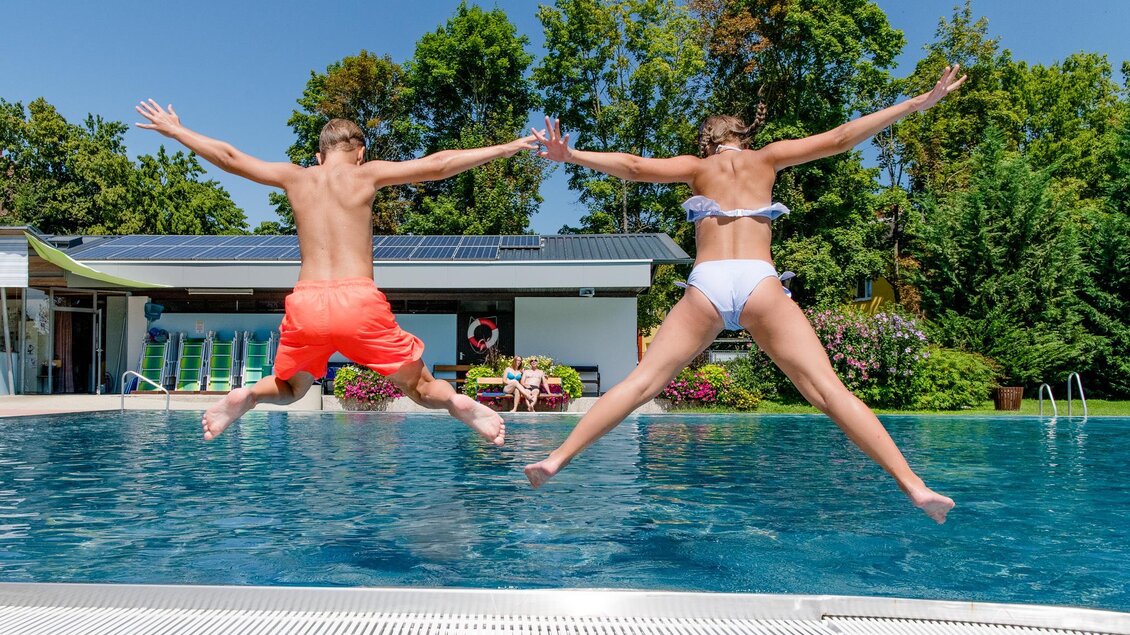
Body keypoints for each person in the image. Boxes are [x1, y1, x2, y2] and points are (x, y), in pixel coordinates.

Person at [524, 66, 968, 523]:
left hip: (708, 282)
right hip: (760, 282)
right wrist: (916, 103)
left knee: (642, 384)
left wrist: (572, 155)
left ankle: (556, 458)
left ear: (707, 140)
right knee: (828, 391)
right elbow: (840, 137)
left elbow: (634, 167)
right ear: (744, 137)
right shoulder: (767, 159)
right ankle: (914, 485)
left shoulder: (696, 168)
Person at [135, 100, 536, 445]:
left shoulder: (296, 177)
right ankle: (458, 404)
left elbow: (231, 158)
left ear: (319, 156)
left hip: (307, 302)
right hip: (358, 302)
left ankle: (248, 397)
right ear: (359, 152)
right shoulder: (367, 174)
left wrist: (177, 130)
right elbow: (437, 166)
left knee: (291, 388)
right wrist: (503, 148)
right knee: (421, 387)